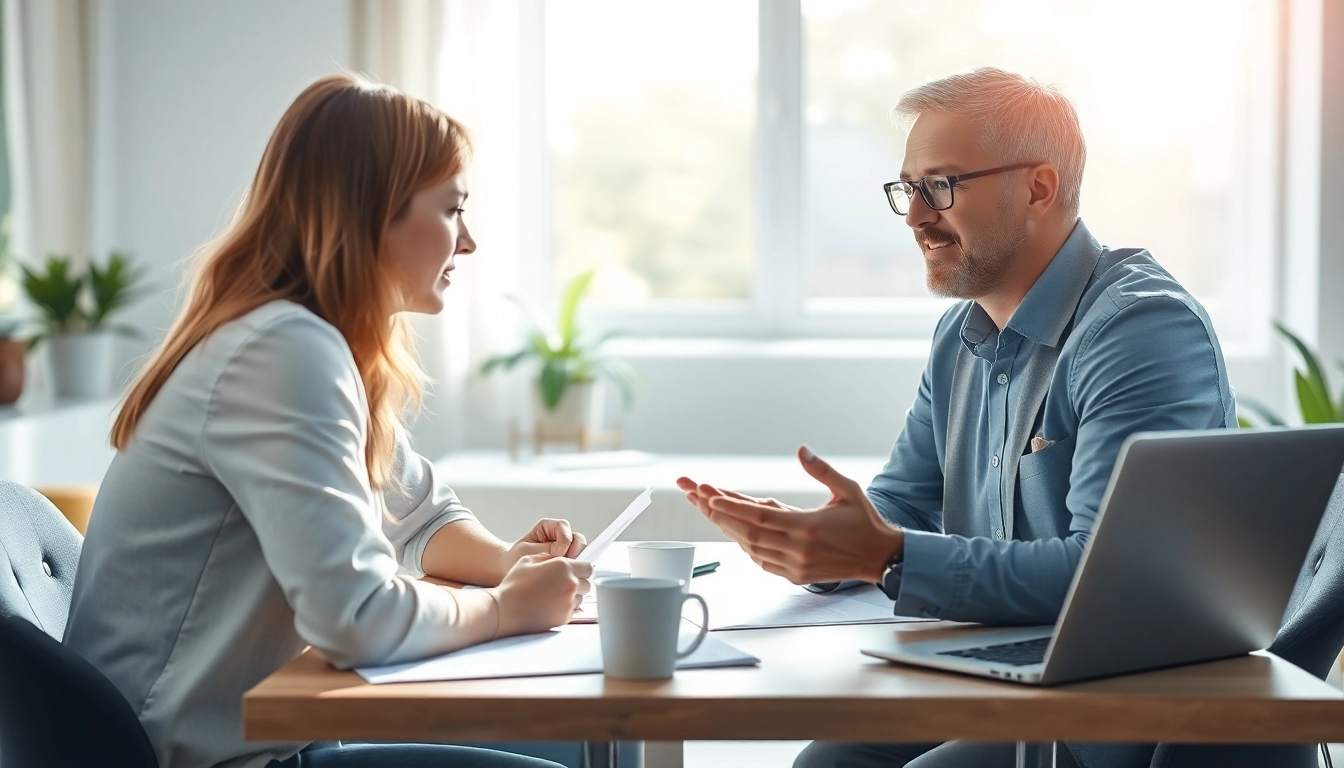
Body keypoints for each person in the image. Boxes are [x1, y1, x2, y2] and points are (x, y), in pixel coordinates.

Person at [678, 67, 1235, 768]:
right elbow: (905, 502)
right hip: (1007, 675)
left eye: (940, 186)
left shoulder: (1140, 328)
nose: (914, 216)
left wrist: (882, 554)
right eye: (907, 189)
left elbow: (1108, 577)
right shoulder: (961, 336)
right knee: (826, 763)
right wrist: (816, 541)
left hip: (1121, 701)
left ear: (1038, 187)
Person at [63, 74, 592, 768]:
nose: (469, 242)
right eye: (453, 210)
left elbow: (419, 514)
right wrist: (505, 609)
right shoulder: (283, 352)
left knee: (579, 741)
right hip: (195, 756)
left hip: (261, 737)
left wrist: (505, 563)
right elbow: (358, 619)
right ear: (375, 212)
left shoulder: (313, 341)